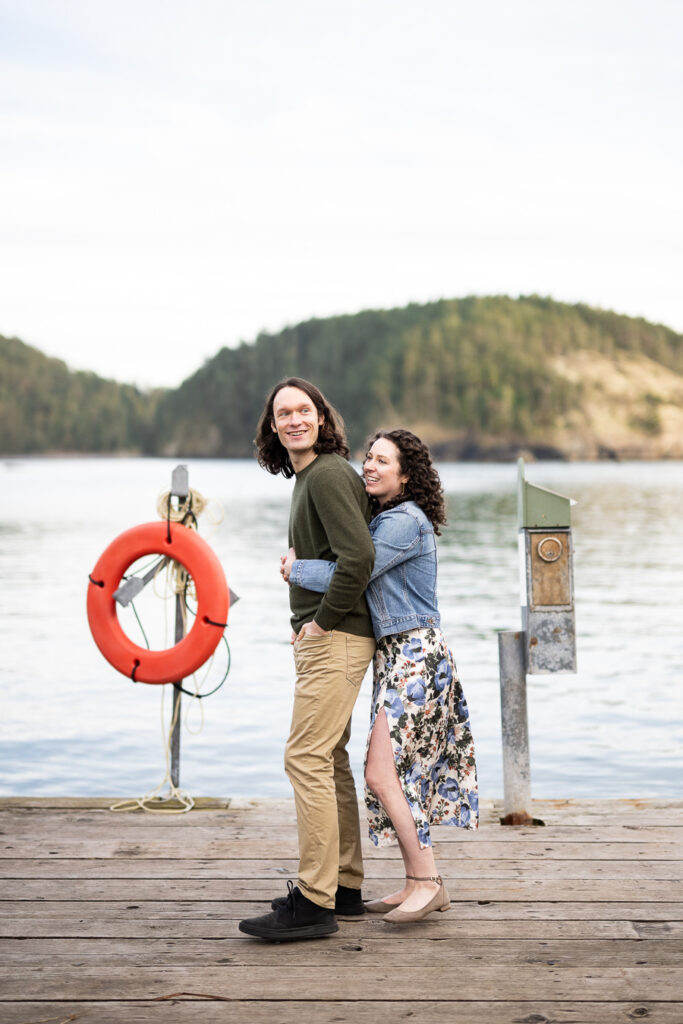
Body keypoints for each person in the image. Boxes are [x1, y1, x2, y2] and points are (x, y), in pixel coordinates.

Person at [282, 428, 478, 923]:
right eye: (368, 457)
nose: (369, 466)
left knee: (380, 772)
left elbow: (354, 569)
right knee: (391, 772)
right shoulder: (388, 518)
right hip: (396, 656)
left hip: (415, 656)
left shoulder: (404, 523)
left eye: (383, 461)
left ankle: (429, 881)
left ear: (406, 475)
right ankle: (415, 880)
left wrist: (295, 568)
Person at [239, 378, 376, 942]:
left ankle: (314, 901)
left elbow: (359, 557)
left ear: (321, 417)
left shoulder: (325, 474)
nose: (294, 419)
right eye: (283, 413)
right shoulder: (311, 478)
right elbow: (335, 556)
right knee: (330, 759)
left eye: (304, 410)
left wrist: (319, 624)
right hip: (332, 636)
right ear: (272, 427)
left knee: (304, 758)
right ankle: (342, 888)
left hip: (336, 637)